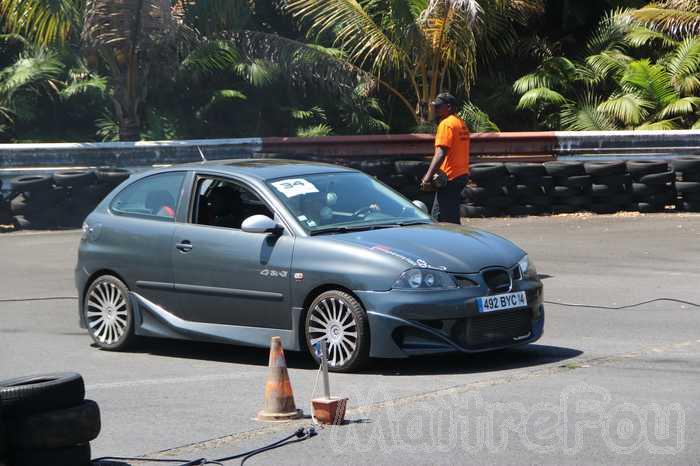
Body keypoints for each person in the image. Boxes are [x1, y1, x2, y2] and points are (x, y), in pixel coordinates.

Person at [420, 92, 470, 224]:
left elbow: (440, 153)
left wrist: (427, 177)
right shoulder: (461, 124)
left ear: (448, 107)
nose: (435, 109)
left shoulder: (446, 124)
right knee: (450, 215)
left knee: (441, 219)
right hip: (461, 175)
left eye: (438, 106)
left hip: (449, 177)